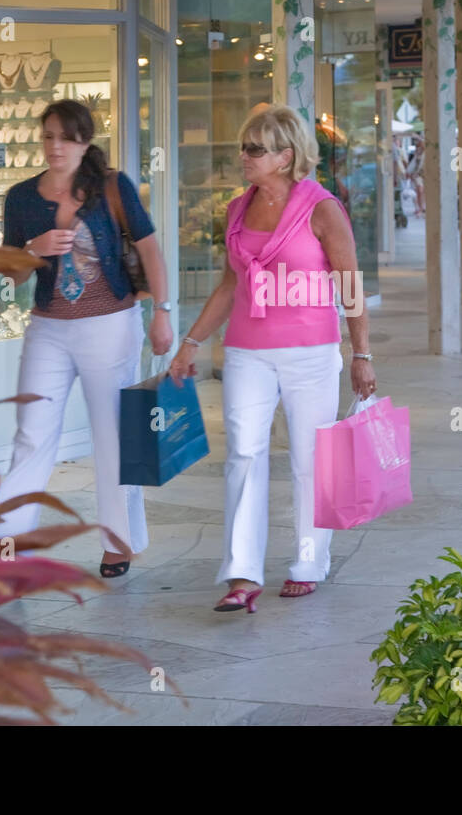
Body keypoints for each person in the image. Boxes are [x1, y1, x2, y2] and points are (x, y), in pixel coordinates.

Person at [167, 104, 377, 615]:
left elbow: (349, 286)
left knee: (310, 461)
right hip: (246, 351)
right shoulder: (237, 209)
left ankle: (309, 561)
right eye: (243, 147)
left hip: (311, 351)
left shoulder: (323, 209)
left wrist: (361, 354)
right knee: (243, 454)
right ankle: (242, 573)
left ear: (286, 156)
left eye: (255, 149)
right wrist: (191, 342)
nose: (244, 156)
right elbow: (229, 284)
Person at [0, 99, 173, 579]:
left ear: (85, 141)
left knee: (112, 435)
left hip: (110, 324)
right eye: (48, 136)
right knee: (31, 435)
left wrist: (163, 313)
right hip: (48, 327)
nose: (55, 147)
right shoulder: (22, 198)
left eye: (66, 137)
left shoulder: (112, 187)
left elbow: (150, 248)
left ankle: (118, 542)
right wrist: (32, 249)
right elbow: (11, 279)